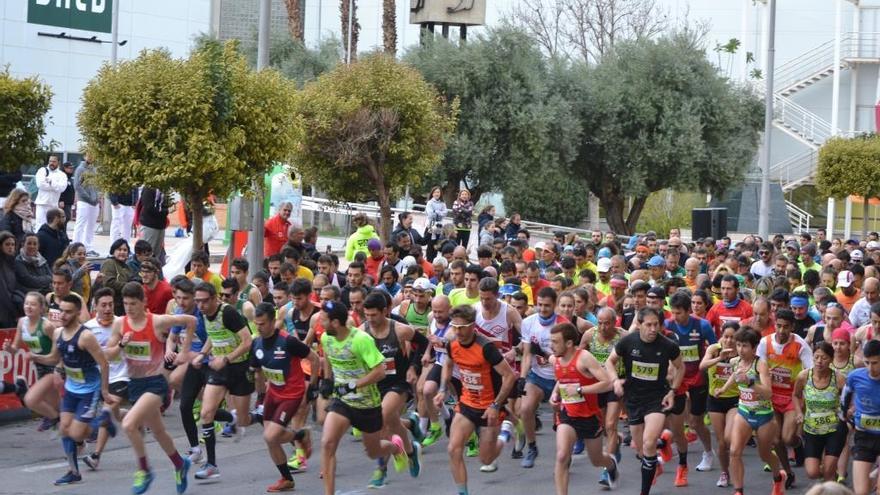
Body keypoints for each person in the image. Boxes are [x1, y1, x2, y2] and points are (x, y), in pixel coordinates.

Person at [103, 282, 195, 494]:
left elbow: (191, 320)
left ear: (143, 302)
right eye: (125, 304)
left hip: (155, 383)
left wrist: (185, 351)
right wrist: (121, 345)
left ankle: (144, 470)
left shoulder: (158, 321)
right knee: (159, 432)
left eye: (133, 303)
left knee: (128, 424)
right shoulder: (120, 324)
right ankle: (180, 464)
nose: (129, 308)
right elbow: (108, 355)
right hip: (135, 384)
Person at [318, 300, 408, 495]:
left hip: (368, 404)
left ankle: (395, 448)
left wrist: (353, 385)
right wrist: (327, 379)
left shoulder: (361, 340)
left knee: (373, 452)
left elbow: (380, 372)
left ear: (335, 323)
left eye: (323, 319)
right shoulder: (326, 337)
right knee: (327, 443)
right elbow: (328, 356)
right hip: (342, 401)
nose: (319, 322)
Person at [28, 294, 113, 486]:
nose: (63, 316)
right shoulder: (58, 333)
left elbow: (104, 363)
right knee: (64, 429)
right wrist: (36, 357)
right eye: (61, 311)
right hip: (71, 389)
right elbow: (52, 358)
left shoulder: (86, 336)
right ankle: (73, 472)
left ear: (76, 313)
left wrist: (105, 392)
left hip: (89, 390)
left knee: (75, 434)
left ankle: (103, 422)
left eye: (68, 312)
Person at [434, 303, 516, 495]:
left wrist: (496, 406)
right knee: (453, 449)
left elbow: (509, 376)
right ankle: (463, 492)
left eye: (462, 327)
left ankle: (505, 433)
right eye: (454, 327)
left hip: (489, 407)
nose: (458, 331)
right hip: (467, 404)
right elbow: (448, 363)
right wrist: (442, 389)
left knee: (486, 460)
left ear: (472, 326)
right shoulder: (452, 343)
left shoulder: (485, 347)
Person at [605, 307, 684, 495]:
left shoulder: (668, 345)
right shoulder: (628, 342)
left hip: (657, 398)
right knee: (641, 451)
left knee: (649, 443)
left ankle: (644, 492)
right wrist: (615, 380)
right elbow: (610, 362)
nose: (653, 329)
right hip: (633, 399)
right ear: (639, 325)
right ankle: (658, 452)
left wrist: (673, 391)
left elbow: (680, 368)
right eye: (648, 325)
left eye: (656, 324)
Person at [249, 302, 320, 492]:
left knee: (271, 436)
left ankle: (299, 436)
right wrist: (260, 396)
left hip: (292, 394)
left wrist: (312, 387)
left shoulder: (288, 341)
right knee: (270, 438)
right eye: (256, 323)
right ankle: (287, 478)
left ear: (273, 322)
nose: (258, 327)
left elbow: (314, 359)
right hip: (272, 393)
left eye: (262, 323)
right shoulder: (256, 343)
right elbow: (258, 372)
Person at [188, 282, 254, 481]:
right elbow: (212, 335)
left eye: (204, 301)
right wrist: (202, 354)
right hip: (219, 369)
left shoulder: (228, 313)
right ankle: (212, 465)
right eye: (197, 301)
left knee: (244, 419)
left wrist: (226, 358)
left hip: (239, 368)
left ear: (215, 298)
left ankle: (258, 416)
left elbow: (247, 341)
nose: (200, 305)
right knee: (206, 413)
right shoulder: (204, 314)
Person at [715, 326, 787, 495]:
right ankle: (738, 490)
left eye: (745, 346)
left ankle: (778, 477)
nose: (740, 349)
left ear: (754, 347)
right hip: (744, 412)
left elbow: (768, 393)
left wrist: (750, 383)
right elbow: (735, 375)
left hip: (764, 416)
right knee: (734, 451)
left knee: (764, 455)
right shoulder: (735, 361)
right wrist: (723, 389)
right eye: (738, 345)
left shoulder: (760, 364)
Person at [361, 291, 422, 487]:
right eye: (367, 315)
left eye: (374, 315)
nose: (370, 319)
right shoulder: (362, 331)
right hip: (375, 385)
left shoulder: (399, 329)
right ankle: (411, 452)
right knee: (393, 423)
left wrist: (414, 367)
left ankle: (380, 469)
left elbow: (423, 344)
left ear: (385, 311)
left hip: (398, 383)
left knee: (382, 419)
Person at [549, 322, 618, 493]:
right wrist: (554, 394)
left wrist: (581, 389)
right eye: (551, 341)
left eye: (556, 342)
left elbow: (607, 383)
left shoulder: (584, 357)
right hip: (568, 416)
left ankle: (611, 464)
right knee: (562, 455)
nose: (552, 346)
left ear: (569, 343)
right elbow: (562, 379)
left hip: (590, 417)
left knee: (596, 460)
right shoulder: (555, 359)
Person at [663, 290, 717, 483]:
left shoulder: (702, 325)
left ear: (688, 311)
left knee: (695, 422)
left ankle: (708, 452)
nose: (674, 316)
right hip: (677, 378)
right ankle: (670, 444)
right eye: (672, 312)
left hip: (698, 378)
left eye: (679, 313)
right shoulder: (667, 325)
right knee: (671, 418)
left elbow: (714, 348)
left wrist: (711, 365)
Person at [757, 308, 814, 487]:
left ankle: (798, 445)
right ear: (775, 325)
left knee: (788, 438)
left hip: (791, 397)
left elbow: (810, 371)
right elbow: (758, 368)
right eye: (779, 326)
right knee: (776, 440)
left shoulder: (800, 344)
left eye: (786, 327)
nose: (781, 331)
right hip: (772, 396)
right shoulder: (764, 343)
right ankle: (788, 473)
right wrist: (765, 374)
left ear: (792, 327)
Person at [81, 287, 129, 470]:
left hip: (121, 376)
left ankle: (95, 456)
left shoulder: (123, 323)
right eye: (104, 305)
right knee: (116, 415)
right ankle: (137, 417)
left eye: (110, 304)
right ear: (96, 306)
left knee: (106, 413)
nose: (108, 308)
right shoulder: (89, 328)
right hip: (99, 379)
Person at [518, 287, 567, 468]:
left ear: (554, 305)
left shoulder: (563, 325)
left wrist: (546, 354)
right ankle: (532, 447)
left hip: (559, 378)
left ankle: (565, 451)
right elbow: (527, 354)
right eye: (539, 305)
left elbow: (566, 360)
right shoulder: (528, 322)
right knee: (525, 408)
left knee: (563, 420)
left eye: (547, 306)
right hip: (537, 375)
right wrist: (522, 377)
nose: (543, 309)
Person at [2, 292, 59, 430]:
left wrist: (36, 357)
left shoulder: (47, 326)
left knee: (33, 399)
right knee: (55, 405)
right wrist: (9, 348)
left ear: (41, 308)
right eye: (26, 303)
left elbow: (57, 354)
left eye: (33, 304)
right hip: (39, 366)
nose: (28, 307)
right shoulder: (22, 323)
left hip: (54, 367)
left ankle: (56, 420)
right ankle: (61, 423)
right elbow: (16, 348)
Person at [792, 341, 847, 482]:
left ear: (831, 359)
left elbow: (850, 398)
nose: (819, 361)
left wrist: (848, 412)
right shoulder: (804, 376)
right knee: (813, 472)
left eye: (824, 358)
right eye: (816, 357)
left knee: (828, 470)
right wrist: (799, 412)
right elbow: (796, 395)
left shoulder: (839, 378)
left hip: (834, 429)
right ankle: (830, 476)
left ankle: (830, 481)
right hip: (812, 429)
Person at [700, 321, 740, 488]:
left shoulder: (740, 351)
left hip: (734, 399)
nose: (729, 340)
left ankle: (735, 464)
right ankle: (725, 473)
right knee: (721, 442)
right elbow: (702, 366)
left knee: (728, 438)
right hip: (715, 400)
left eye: (733, 337)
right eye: (726, 336)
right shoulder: (714, 349)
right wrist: (719, 358)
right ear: (721, 336)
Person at [842, 339, 880, 495]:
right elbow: (845, 397)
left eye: (875, 363)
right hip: (864, 437)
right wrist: (846, 414)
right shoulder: (855, 376)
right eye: (867, 363)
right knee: (861, 492)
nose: (871, 368)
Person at [72, 156, 100, 255]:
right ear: (85, 156)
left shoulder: (95, 169)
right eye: (89, 154)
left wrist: (97, 196)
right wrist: (88, 197)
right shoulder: (80, 169)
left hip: (95, 202)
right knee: (80, 224)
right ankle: (75, 247)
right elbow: (77, 185)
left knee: (91, 225)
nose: (91, 157)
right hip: (84, 201)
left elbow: (99, 185)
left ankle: (88, 247)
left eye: (93, 154)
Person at [101, 238, 135, 316]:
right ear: (113, 251)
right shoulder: (109, 263)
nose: (122, 252)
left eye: (125, 250)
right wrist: (129, 286)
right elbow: (109, 282)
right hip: (112, 305)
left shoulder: (127, 267)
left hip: (124, 305)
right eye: (119, 249)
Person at [33, 155, 68, 229]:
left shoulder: (62, 175)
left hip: (53, 205)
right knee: (40, 225)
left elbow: (61, 188)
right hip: (42, 203)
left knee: (52, 226)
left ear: (58, 162)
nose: (51, 163)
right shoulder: (42, 170)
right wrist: (55, 187)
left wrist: (51, 181)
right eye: (50, 161)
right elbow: (40, 185)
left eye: (54, 161)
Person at [137, 188, 169, 264]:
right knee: (146, 253)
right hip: (149, 225)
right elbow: (148, 207)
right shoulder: (149, 189)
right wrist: (166, 211)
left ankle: (153, 273)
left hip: (161, 225)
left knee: (156, 255)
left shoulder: (164, 188)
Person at [0, 231, 25, 326]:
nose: (10, 247)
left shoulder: (12, 262)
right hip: (5, 312)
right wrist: (15, 313)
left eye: (13, 244)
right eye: (7, 244)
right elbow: (3, 293)